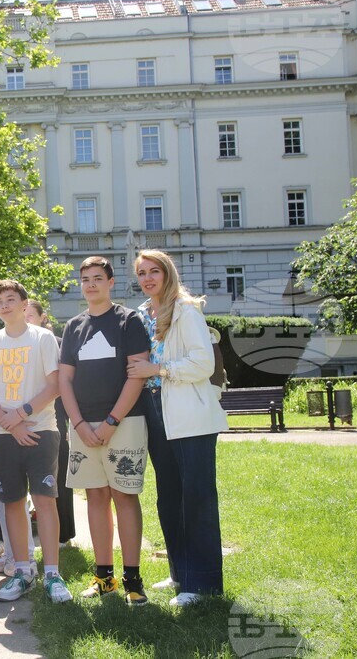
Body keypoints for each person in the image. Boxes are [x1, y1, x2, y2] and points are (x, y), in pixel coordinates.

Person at [127, 249, 229, 607]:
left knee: (196, 497)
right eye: (141, 273)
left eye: (154, 271)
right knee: (169, 496)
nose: (148, 278)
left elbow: (202, 363)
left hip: (189, 413)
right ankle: (179, 573)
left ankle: (202, 584)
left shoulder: (185, 310)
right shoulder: (141, 314)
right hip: (155, 411)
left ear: (167, 272)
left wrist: (160, 370)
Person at [58, 257, 151, 606]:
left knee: (125, 497)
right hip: (83, 425)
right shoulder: (74, 327)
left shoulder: (129, 321)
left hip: (124, 423)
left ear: (111, 282)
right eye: (85, 279)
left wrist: (112, 421)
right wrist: (78, 423)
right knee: (95, 498)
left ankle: (132, 579)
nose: (91, 285)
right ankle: (104, 577)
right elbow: (65, 379)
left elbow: (137, 375)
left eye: (98, 278)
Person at [0, 280, 70, 604]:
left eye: (10, 299)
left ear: (24, 303)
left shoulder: (42, 338)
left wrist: (22, 413)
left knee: (45, 501)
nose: (4, 305)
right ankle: (23, 571)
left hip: (41, 430)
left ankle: (53, 575)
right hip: (4, 435)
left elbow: (54, 386)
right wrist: (10, 423)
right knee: (12, 504)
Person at [24, 299, 76, 548]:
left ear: (43, 317)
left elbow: (65, 385)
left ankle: (63, 533)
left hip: (55, 416)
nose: (25, 320)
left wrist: (68, 422)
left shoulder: (54, 344)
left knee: (58, 477)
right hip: (24, 419)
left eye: (30, 316)